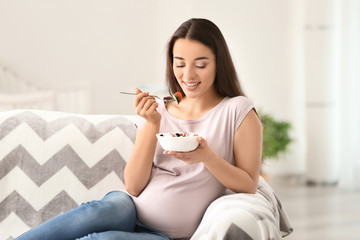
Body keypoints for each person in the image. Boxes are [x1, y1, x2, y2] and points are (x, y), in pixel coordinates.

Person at [15, 18, 264, 240]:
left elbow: (248, 184)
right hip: (129, 208)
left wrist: (206, 157)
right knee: (98, 210)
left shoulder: (237, 111)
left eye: (200, 64)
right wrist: (152, 124)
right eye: (180, 64)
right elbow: (133, 186)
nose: (188, 74)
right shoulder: (159, 110)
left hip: (167, 234)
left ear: (219, 63)